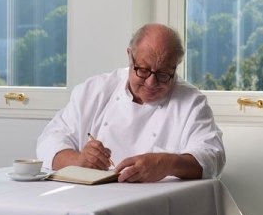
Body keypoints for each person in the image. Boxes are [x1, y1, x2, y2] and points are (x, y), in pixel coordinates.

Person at [36, 23, 225, 182]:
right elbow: (49, 140)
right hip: (89, 199)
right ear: (130, 56)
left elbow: (212, 156)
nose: (151, 82)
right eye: (143, 70)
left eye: (163, 74)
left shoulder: (191, 102)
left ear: (175, 67)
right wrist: (79, 161)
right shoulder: (95, 90)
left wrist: (166, 164)